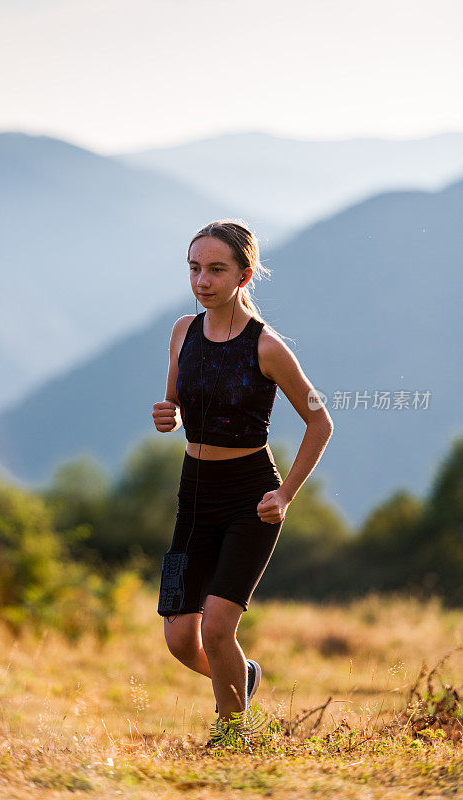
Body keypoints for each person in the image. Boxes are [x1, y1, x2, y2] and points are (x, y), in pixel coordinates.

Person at [152, 219, 334, 728]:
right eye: (194, 269)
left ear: (244, 276)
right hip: (194, 496)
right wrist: (168, 415)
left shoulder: (268, 347)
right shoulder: (181, 332)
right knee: (179, 638)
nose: (201, 281)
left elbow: (320, 421)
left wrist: (286, 494)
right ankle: (242, 677)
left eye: (216, 269)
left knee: (216, 627)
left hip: (251, 499)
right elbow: (176, 405)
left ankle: (233, 734)